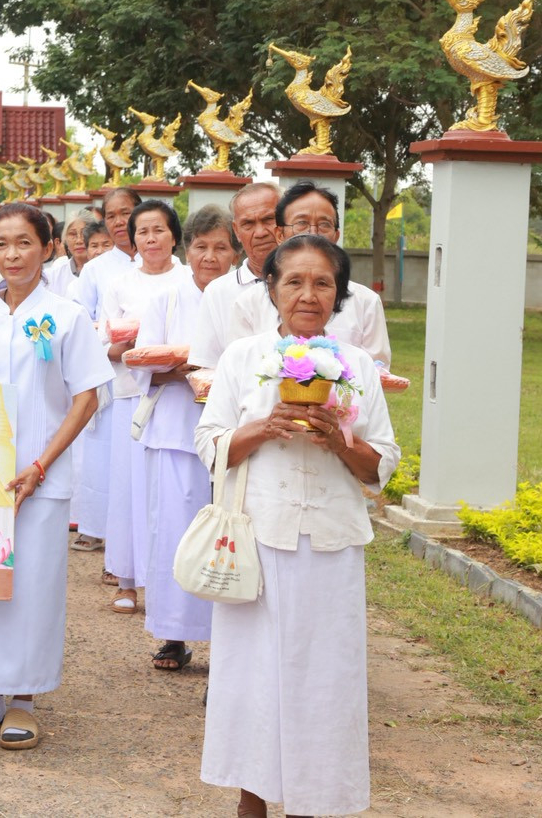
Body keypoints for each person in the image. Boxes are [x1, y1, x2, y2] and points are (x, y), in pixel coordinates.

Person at [195, 235, 399, 817]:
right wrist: (265, 424)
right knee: (254, 680)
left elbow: (381, 463)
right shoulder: (242, 359)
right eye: (294, 282)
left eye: (323, 284)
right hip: (256, 542)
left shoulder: (358, 367)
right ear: (272, 289)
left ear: (340, 295)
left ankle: (316, 803)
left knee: (325, 682)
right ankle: (251, 803)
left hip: (331, 547)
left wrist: (341, 441)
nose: (308, 295)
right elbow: (209, 445)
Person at [0, 203, 111, 750]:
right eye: (2, 244)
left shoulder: (68, 314)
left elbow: (86, 397)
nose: (12, 255)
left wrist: (40, 465)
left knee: (31, 588)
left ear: (48, 246)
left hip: (41, 475)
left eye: (24, 243)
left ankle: (25, 702)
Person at [132, 205, 237, 673]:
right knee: (173, 531)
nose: (210, 257)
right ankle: (173, 634)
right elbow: (144, 365)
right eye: (201, 246)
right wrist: (188, 370)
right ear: (186, 249)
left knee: (229, 535)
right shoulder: (166, 299)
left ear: (234, 253)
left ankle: (231, 640)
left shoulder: (249, 298)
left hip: (232, 435)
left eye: (220, 247)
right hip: (174, 430)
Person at [100, 199, 187, 613]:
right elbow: (103, 343)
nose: (151, 239)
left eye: (159, 230)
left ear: (174, 235)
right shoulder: (120, 283)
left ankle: (171, 583)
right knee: (129, 488)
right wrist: (130, 348)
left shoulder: (188, 280)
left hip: (178, 394)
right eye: (142, 232)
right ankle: (127, 578)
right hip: (131, 393)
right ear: (133, 240)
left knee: (170, 491)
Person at [228, 182, 391, 368]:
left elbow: (378, 373)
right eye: (301, 223)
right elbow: (239, 374)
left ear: (336, 236)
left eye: (324, 224)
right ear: (279, 234)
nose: (313, 232)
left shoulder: (366, 302)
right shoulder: (248, 302)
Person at [70, 189, 140, 559]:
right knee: (104, 457)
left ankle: (135, 538)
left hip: (152, 377)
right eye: (111, 215)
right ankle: (97, 527)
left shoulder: (163, 262)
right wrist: (109, 346)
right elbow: (80, 321)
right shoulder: (95, 269)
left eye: (125, 213)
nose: (117, 221)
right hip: (109, 371)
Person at [188, 183, 279, 370]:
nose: (260, 232)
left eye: (268, 219)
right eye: (248, 224)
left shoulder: (312, 285)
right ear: (236, 231)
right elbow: (205, 368)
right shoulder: (217, 292)